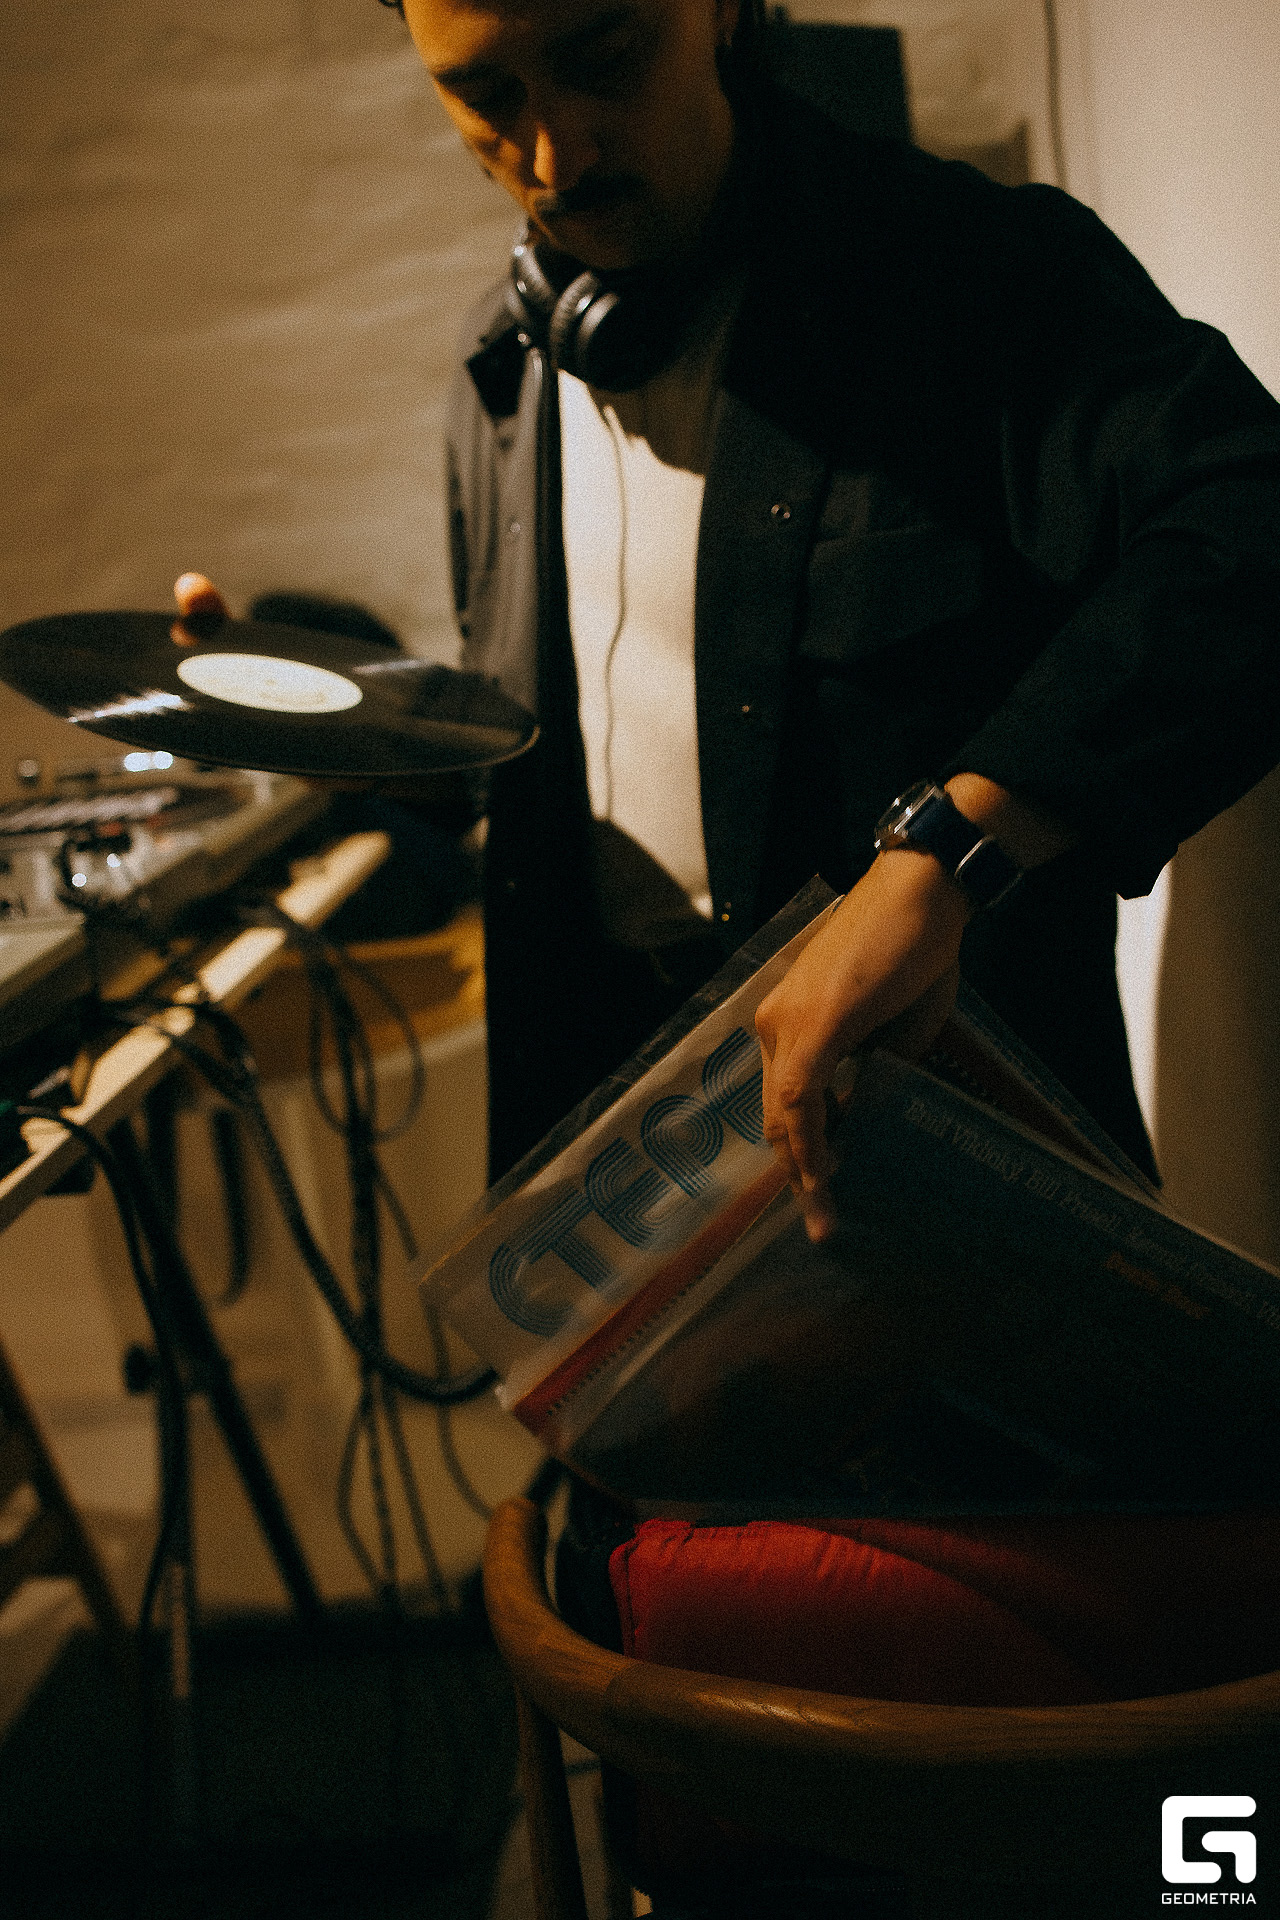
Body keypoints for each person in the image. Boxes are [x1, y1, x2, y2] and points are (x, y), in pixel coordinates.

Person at [179, 0, 1280, 1225]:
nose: (553, 155)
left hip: (945, 1157)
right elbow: (566, 763)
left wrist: (952, 852)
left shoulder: (975, 272)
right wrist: (320, 725)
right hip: (628, 1178)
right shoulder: (500, 366)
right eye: (485, 97)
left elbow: (1251, 525)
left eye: (602, 58)